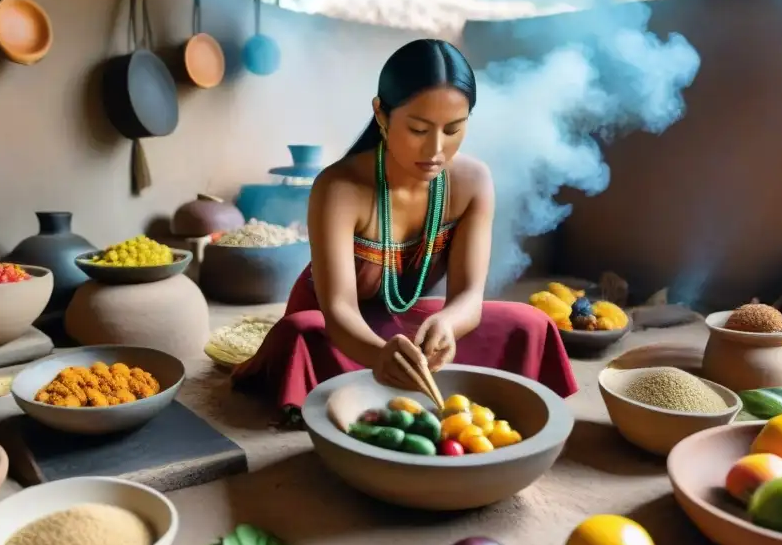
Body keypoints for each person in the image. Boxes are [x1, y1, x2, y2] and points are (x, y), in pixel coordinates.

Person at [233, 39, 578, 413]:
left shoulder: (474, 181)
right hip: (338, 328)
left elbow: (468, 298)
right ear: (381, 114)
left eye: (453, 130)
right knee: (300, 334)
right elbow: (339, 310)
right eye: (418, 129)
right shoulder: (338, 187)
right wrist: (379, 355)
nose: (435, 151)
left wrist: (447, 324)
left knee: (528, 323)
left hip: (408, 323)